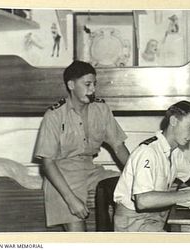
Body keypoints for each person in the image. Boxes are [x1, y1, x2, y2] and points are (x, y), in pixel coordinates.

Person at [34, 60, 130, 231]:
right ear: (71, 85)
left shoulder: (101, 109)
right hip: (62, 174)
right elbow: (47, 163)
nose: (92, 89)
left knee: (123, 186)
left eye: (94, 84)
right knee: (79, 237)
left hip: (90, 169)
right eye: (87, 84)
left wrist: (137, 175)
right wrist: (71, 200)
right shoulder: (55, 115)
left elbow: (118, 146)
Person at [113, 100, 190, 232]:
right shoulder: (148, 152)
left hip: (155, 218)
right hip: (135, 223)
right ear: (174, 121)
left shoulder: (174, 152)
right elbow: (142, 201)